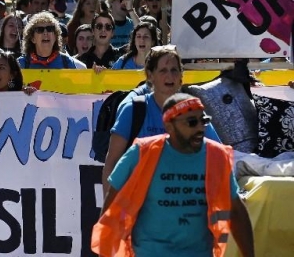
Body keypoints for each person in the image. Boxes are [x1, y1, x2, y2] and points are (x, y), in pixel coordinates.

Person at [93, 93, 255, 257]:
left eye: (203, 121)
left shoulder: (217, 156)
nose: (200, 128)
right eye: (191, 122)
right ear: (169, 126)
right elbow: (111, 206)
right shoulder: (141, 153)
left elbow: (236, 211)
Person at [101, 45, 222, 195]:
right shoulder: (133, 110)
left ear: (181, 77)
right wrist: (111, 212)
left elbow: (219, 159)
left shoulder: (194, 113)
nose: (169, 76)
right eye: (163, 70)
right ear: (150, 76)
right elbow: (112, 162)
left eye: (174, 70)